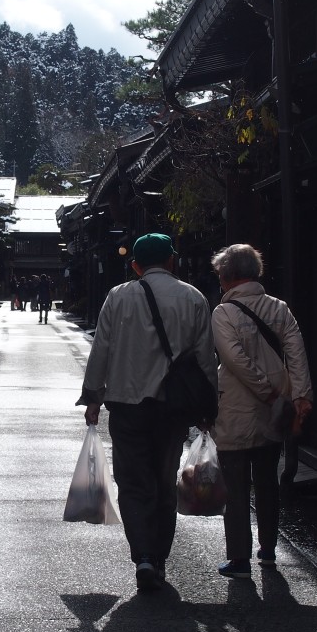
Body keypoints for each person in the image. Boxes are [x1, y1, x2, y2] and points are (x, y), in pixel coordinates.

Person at [77, 232, 217, 591]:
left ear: (136, 265)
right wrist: (207, 408)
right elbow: (204, 358)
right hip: (173, 409)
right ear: (172, 260)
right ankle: (158, 556)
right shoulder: (194, 298)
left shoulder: (118, 296)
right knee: (164, 478)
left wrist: (93, 396)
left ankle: (141, 556)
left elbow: (102, 349)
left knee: (134, 481)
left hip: (127, 406)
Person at [210, 244, 313, 578]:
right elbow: (296, 353)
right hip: (276, 408)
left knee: (236, 484)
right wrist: (299, 396)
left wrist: (264, 391)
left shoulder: (223, 313)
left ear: (226, 275)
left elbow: (234, 360)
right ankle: (268, 550)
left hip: (238, 407)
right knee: (267, 480)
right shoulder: (279, 308)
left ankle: (239, 558)